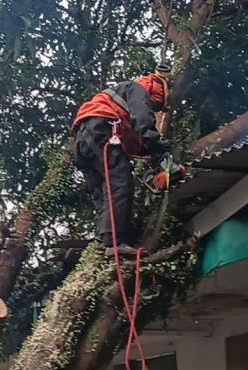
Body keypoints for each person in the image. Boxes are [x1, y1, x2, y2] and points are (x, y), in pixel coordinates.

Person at [71, 65, 185, 256]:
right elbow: (144, 121)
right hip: (100, 130)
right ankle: (116, 243)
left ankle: (108, 241)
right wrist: (162, 155)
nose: (158, 107)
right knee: (121, 183)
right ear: (159, 86)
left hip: (83, 141)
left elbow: (137, 143)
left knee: (103, 191)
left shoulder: (122, 100)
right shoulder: (138, 89)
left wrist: (155, 154)